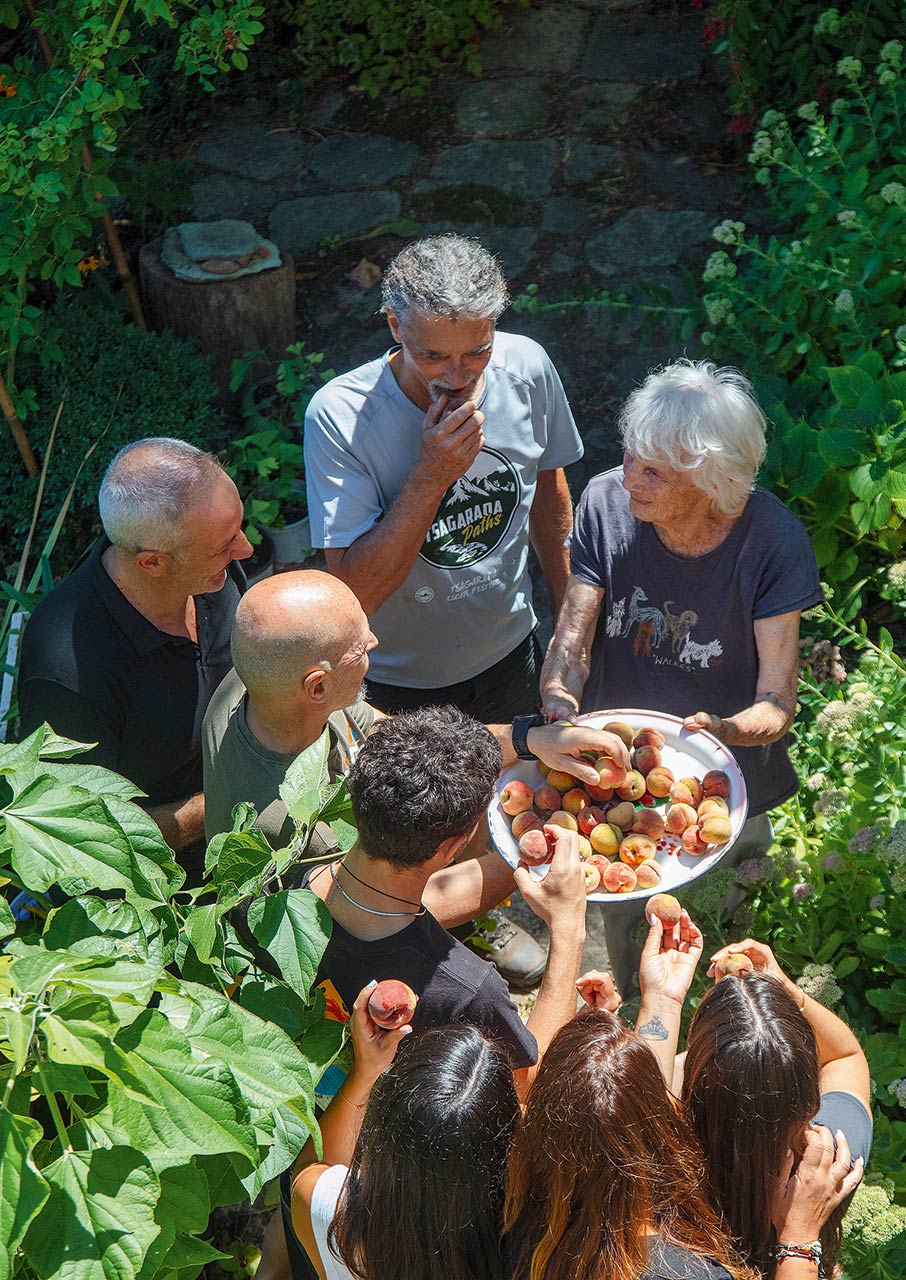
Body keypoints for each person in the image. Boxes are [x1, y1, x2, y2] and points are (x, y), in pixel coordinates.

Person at [540, 359, 823, 994]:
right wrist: (560, 705)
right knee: (628, 923)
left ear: (712, 480)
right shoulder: (605, 504)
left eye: (654, 472)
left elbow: (777, 699)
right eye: (630, 456)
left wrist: (725, 729)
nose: (628, 479)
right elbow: (572, 636)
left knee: (735, 928)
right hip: (621, 772)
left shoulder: (770, 540)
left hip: (726, 777)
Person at [202, 568, 631, 985]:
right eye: (358, 648)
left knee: (460, 789)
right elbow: (380, 910)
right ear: (317, 686)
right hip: (334, 956)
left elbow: (394, 737)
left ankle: (467, 925)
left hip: (362, 892)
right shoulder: (285, 824)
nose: (374, 642)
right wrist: (530, 858)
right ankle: (456, 935)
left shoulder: (264, 687)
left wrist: (529, 738)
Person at [303, 233, 583, 722]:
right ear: (394, 325)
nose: (457, 376)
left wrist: (568, 630)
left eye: (477, 352)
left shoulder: (527, 368)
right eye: (433, 356)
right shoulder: (339, 416)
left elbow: (547, 494)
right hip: (396, 687)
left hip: (513, 656)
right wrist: (431, 476)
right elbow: (355, 592)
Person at [17, 438, 252, 856]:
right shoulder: (66, 674)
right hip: (167, 892)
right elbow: (79, 836)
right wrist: (234, 797)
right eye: (225, 545)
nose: (246, 550)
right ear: (152, 563)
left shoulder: (210, 573)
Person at [502, 1006, 758, 1280]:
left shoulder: (508, 1229)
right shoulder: (694, 1273)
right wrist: (798, 1243)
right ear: (661, 1126)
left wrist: (661, 1000)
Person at [288, 986, 519, 1280]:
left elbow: (310, 1166)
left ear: (383, 1125)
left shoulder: (332, 1215)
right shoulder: (537, 1242)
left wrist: (365, 1071)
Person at [680, 938, 871, 1278]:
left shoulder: (662, 1162)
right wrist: (783, 990)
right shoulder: (832, 1159)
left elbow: (651, 1080)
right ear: (807, 1097)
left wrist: (669, 1005)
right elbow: (844, 1056)